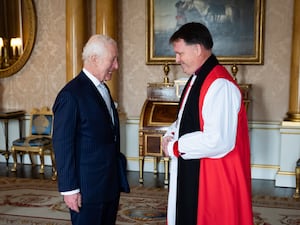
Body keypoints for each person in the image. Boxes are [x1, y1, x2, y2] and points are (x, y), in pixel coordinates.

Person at [162, 22, 253, 225]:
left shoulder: (219, 84)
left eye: (180, 53)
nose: (176, 59)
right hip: (202, 172)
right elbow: (185, 117)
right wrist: (170, 133)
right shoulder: (198, 78)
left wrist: (175, 147)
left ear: (197, 49)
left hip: (215, 180)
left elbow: (218, 140)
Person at [52, 34, 122, 225]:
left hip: (108, 185)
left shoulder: (103, 89)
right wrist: (69, 190)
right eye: (113, 59)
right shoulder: (70, 95)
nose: (116, 66)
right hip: (87, 190)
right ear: (94, 59)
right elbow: (62, 144)